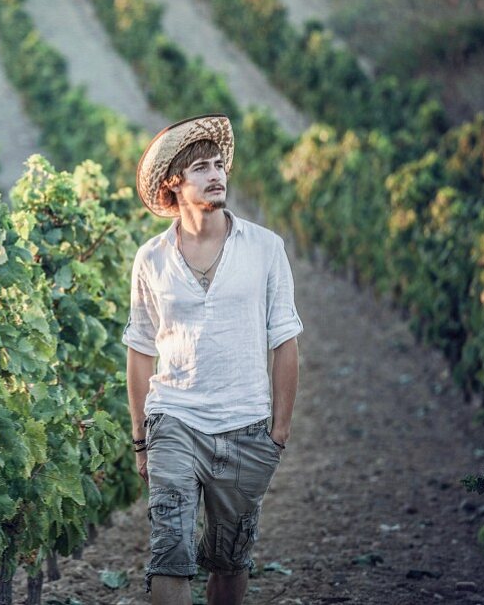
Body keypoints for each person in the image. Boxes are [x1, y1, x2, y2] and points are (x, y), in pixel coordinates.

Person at [123, 114, 302, 605]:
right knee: (170, 554)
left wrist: (278, 434)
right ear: (173, 184)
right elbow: (140, 350)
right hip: (174, 422)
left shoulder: (266, 248)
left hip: (246, 428)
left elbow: (284, 341)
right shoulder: (151, 258)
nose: (216, 174)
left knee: (229, 561)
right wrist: (141, 438)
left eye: (218, 163)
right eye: (201, 167)